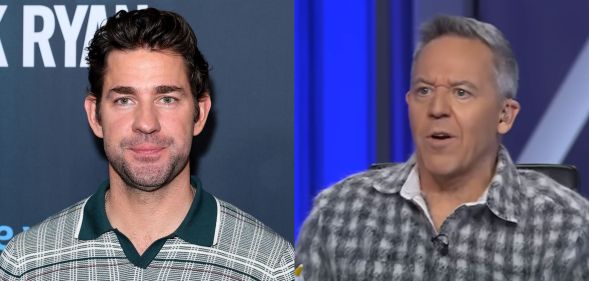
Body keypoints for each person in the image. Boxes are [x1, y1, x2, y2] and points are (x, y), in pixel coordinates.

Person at [0, 8, 293, 280]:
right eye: (124, 100)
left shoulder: (269, 266)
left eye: (167, 99)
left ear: (200, 113)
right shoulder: (28, 264)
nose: (146, 123)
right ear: (95, 115)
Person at [295, 15, 589, 280]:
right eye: (424, 91)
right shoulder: (339, 212)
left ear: (504, 115)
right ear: (409, 103)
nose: (437, 109)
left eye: (461, 92)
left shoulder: (568, 228)